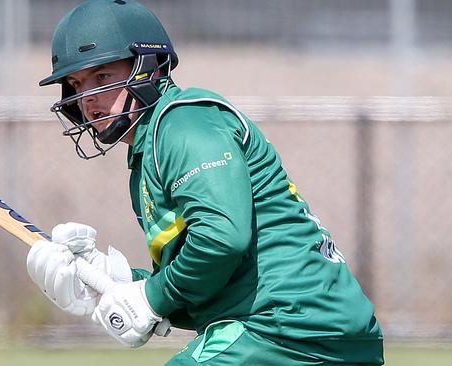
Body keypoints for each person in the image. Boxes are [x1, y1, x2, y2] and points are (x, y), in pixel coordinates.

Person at [26, 1, 384, 364]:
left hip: (284, 328)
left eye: (101, 77)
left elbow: (221, 238)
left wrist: (151, 297)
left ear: (146, 66)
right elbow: (201, 288)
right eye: (76, 84)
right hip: (311, 328)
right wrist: (111, 279)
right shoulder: (148, 154)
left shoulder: (182, 123)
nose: (88, 99)